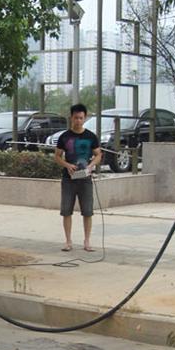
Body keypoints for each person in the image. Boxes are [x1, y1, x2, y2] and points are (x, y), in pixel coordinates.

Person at [54, 103, 101, 252]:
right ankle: (68, 241)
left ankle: (87, 241)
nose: (78, 121)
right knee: (66, 210)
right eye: (76, 118)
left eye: (81, 118)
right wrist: (67, 165)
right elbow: (57, 156)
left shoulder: (91, 136)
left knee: (87, 211)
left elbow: (98, 154)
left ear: (85, 118)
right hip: (69, 179)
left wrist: (91, 166)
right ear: (71, 118)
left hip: (85, 178)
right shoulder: (64, 136)